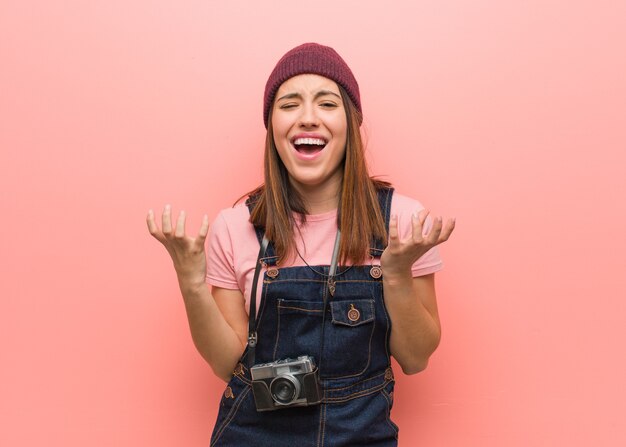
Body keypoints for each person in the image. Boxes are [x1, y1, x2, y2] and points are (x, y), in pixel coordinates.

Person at [147, 43, 455, 446]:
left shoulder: (403, 222)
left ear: (351, 122)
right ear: (272, 125)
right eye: (289, 104)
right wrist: (191, 282)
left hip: (362, 435)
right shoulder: (235, 226)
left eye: (327, 103)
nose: (308, 118)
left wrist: (396, 275)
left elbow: (415, 359)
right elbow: (226, 363)